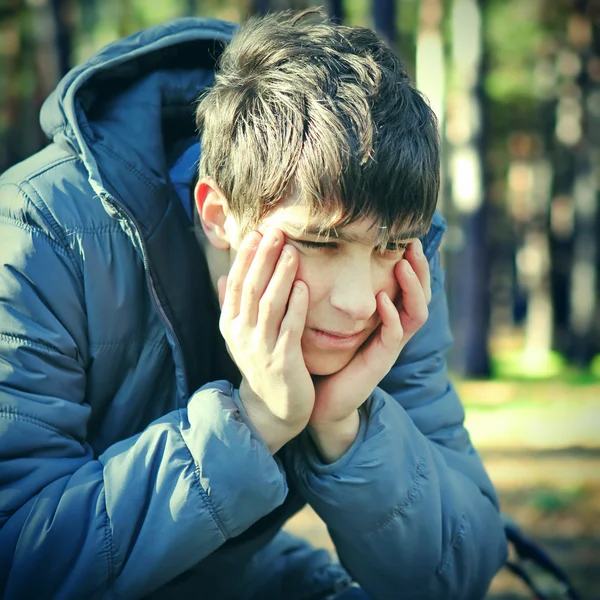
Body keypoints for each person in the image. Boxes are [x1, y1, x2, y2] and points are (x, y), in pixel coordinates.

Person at [0, 9, 507, 600]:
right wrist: (255, 422)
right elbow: (19, 560)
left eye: (388, 244)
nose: (356, 302)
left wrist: (347, 427)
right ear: (218, 213)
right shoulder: (39, 233)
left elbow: (461, 572)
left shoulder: (404, 267)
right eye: (318, 242)